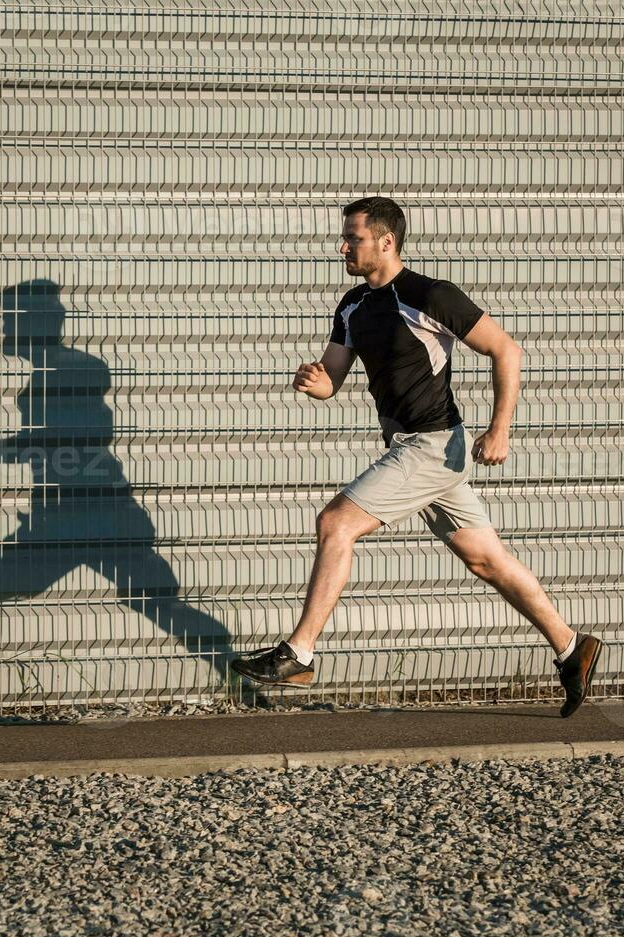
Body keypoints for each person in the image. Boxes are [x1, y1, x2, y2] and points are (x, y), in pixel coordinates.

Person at [230, 197, 603, 718]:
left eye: (353, 238)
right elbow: (332, 378)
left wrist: (500, 429)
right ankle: (570, 646)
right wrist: (316, 383)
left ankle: (300, 652)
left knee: (336, 523)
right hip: (412, 450)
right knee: (486, 560)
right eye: (345, 237)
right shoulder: (353, 306)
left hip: (432, 445)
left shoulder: (430, 295)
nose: (343, 247)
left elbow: (506, 350)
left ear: (386, 241)